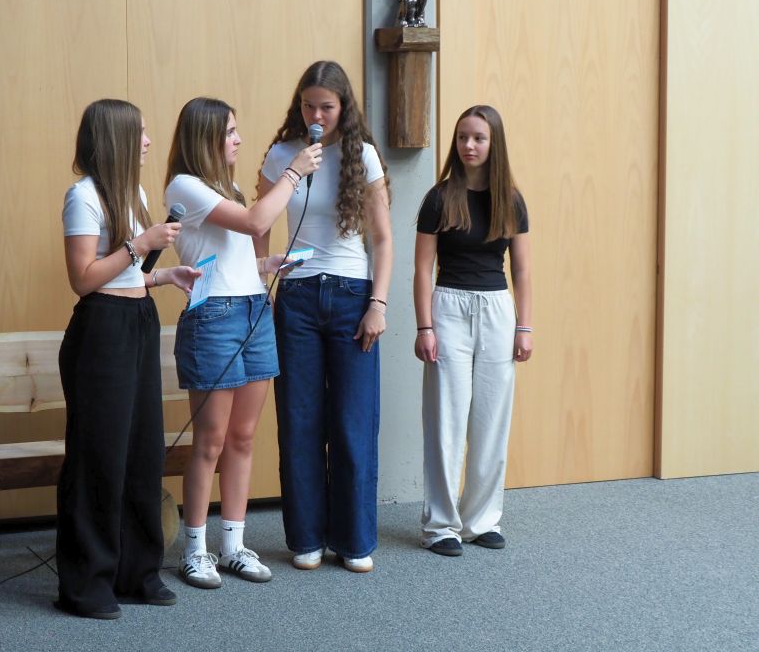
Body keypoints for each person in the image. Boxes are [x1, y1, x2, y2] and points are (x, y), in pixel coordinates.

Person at [164, 96, 321, 589]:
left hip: (253, 309)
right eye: (230, 132)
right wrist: (293, 172)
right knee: (209, 440)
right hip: (214, 318)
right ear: (206, 137)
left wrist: (264, 266)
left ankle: (233, 545)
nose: (238, 139)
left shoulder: (225, 187)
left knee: (243, 437)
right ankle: (196, 549)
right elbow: (256, 222)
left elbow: (230, 254)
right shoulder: (184, 185)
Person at [55, 98, 200, 619]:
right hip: (101, 331)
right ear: (115, 139)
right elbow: (84, 279)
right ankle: (87, 584)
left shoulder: (133, 193)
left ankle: (138, 573)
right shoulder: (83, 197)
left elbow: (124, 273)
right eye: (139, 132)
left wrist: (162, 275)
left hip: (138, 320)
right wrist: (141, 244)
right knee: (100, 456)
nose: (148, 141)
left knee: (142, 452)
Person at [258, 60, 393, 574]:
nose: (316, 116)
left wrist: (378, 304)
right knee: (299, 420)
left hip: (352, 295)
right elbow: (259, 225)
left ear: (344, 107)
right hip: (296, 296)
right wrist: (263, 285)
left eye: (327, 107)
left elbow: (382, 238)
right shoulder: (282, 154)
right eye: (308, 106)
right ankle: (307, 536)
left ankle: (354, 540)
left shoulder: (364, 155)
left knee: (354, 420)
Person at [413, 104, 533, 557]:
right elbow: (422, 269)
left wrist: (524, 326)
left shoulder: (511, 200)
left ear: (493, 143)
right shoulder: (439, 198)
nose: (469, 145)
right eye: (463, 137)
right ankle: (441, 525)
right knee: (446, 418)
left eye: (479, 138)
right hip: (448, 307)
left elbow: (521, 270)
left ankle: (482, 520)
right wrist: (425, 326)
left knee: (491, 419)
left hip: (498, 310)